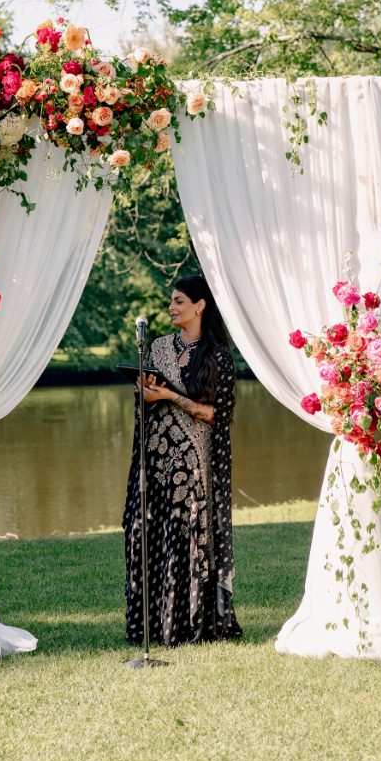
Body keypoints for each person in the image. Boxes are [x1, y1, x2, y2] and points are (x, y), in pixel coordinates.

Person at [123, 275, 242, 647]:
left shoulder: (217, 356)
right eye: (171, 302)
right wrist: (145, 394)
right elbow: (144, 404)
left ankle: (189, 625)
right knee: (154, 531)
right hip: (156, 461)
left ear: (199, 305)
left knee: (187, 536)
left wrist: (171, 397)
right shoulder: (157, 348)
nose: (171, 307)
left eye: (178, 301)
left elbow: (216, 414)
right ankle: (153, 625)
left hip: (193, 462)